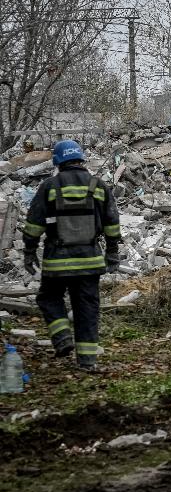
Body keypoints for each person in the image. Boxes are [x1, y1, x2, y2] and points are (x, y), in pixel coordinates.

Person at [22, 140, 121, 372]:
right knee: (87, 308)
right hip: (90, 261)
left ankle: (62, 336)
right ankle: (87, 361)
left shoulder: (50, 186)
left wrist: (29, 251)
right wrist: (112, 252)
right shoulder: (98, 186)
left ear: (57, 161)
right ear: (81, 158)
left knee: (48, 298)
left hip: (57, 261)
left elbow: (34, 224)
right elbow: (112, 223)